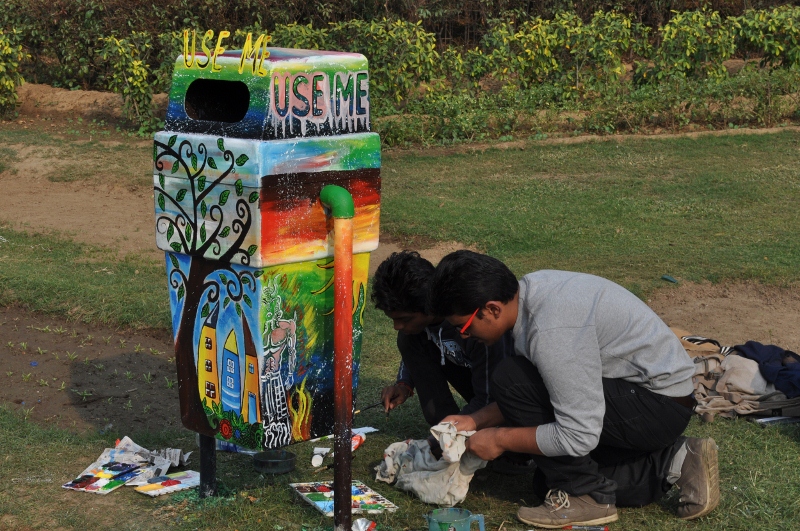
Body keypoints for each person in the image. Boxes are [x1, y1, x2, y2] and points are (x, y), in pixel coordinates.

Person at [428, 250, 719, 528]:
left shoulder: (551, 331)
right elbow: (542, 389)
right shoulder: (529, 293)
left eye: (463, 327)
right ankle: (674, 460)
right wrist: (476, 420)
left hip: (658, 405)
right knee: (546, 482)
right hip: (647, 396)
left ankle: (587, 496)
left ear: (492, 309)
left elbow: (578, 435)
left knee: (511, 378)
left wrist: (500, 439)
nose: (464, 336)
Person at [370, 250, 514, 427]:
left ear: (429, 307)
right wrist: (404, 384)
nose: (396, 326)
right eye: (393, 319)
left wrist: (459, 428)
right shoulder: (418, 329)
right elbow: (413, 345)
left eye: (404, 319)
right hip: (475, 380)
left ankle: (455, 431)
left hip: (498, 396)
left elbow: (491, 396)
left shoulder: (475, 327)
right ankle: (443, 424)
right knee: (407, 338)